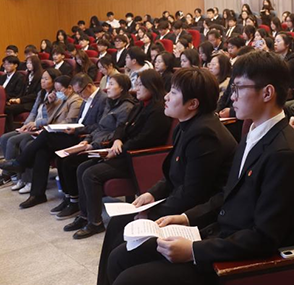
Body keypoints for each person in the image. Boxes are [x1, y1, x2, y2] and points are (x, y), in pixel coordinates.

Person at [103, 51, 294, 285]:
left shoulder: (284, 153)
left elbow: (265, 237)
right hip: (216, 235)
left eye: (238, 88)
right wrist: (185, 218)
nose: (232, 96)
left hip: (233, 263)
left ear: (267, 93)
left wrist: (194, 250)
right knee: (121, 257)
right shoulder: (254, 132)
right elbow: (226, 195)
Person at [66, 70, 172, 239]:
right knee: (82, 168)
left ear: (152, 86)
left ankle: (95, 223)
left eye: (140, 85)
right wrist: (117, 140)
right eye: (136, 84)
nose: (136, 88)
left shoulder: (158, 110)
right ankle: (85, 215)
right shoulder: (140, 105)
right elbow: (122, 126)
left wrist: (118, 150)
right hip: (124, 152)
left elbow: (145, 139)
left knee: (90, 173)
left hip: (137, 159)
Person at [0, 74, 108, 208]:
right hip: (74, 133)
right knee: (42, 151)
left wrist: (78, 129)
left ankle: (20, 162)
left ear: (89, 86)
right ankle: (37, 194)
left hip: (82, 137)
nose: (79, 95)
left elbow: (99, 126)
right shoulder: (85, 98)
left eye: (80, 92)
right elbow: (56, 118)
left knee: (46, 135)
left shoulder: (101, 100)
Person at [52, 74, 136, 219]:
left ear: (122, 88)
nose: (107, 88)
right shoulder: (110, 103)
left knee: (72, 163)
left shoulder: (127, 107)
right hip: (94, 141)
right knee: (62, 158)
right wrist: (87, 140)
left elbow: (117, 134)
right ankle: (70, 198)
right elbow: (99, 126)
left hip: (104, 147)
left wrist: (93, 145)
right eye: (108, 84)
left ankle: (77, 204)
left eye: (111, 84)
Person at [0, 69, 63, 188]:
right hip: (32, 125)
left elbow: (52, 118)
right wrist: (26, 124)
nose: (42, 81)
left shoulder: (58, 96)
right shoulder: (41, 93)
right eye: (42, 78)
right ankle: (13, 174)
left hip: (41, 128)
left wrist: (35, 124)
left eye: (46, 79)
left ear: (54, 81)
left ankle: (9, 174)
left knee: (14, 141)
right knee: (4, 137)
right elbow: (33, 112)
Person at [4, 55, 43, 131]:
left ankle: (10, 130)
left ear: (35, 64)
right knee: (7, 106)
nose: (28, 65)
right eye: (27, 63)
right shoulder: (28, 75)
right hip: (24, 101)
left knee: (8, 109)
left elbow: (36, 95)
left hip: (32, 103)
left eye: (30, 63)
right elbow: (22, 91)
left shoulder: (40, 76)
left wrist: (20, 100)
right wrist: (15, 100)